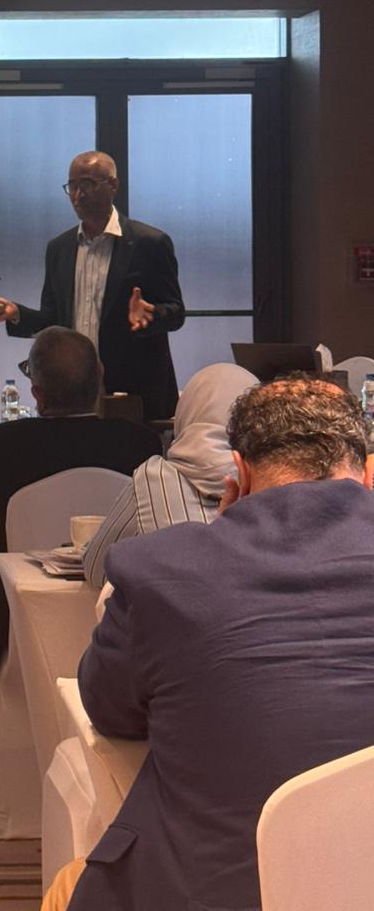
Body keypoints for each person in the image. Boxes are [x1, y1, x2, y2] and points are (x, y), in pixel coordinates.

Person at [54, 376, 374, 911]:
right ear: (366, 471)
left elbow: (109, 708)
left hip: (212, 893)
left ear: (240, 471)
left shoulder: (162, 568)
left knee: (68, 885)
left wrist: (217, 535)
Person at [0, 326, 160, 803]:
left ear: (37, 392)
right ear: (100, 380)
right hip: (119, 607)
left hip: (6, 609)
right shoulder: (139, 443)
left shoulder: (3, 444)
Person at [0, 150, 185, 419]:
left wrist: (150, 315)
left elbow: (176, 313)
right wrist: (14, 314)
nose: (78, 195)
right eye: (72, 186)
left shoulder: (149, 243)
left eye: (88, 184)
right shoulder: (59, 249)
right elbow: (54, 320)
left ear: (113, 185)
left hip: (132, 393)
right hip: (72, 393)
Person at [83, 362, 257, 589]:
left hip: (169, 611)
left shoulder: (152, 478)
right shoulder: (274, 483)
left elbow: (96, 568)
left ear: (184, 413)